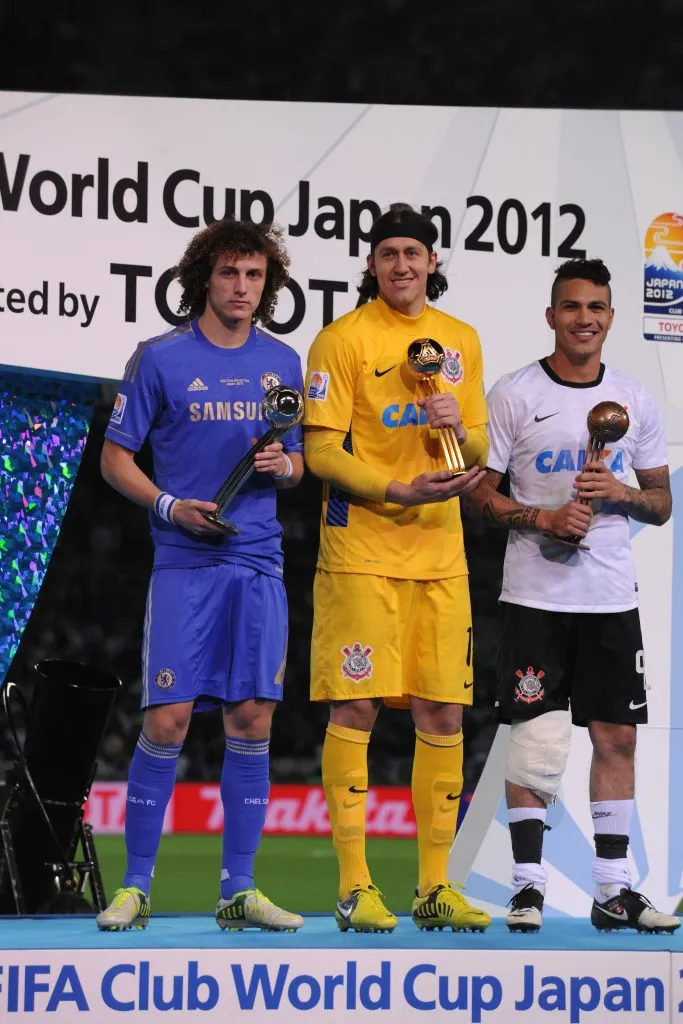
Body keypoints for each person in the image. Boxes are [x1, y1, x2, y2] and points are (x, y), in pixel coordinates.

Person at [95, 218, 305, 933]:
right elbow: (115, 459)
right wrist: (166, 504)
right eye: (229, 274)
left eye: (254, 276)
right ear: (202, 280)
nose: (242, 287)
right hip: (185, 560)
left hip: (257, 560)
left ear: (266, 285)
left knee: (253, 718)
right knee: (168, 718)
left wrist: (287, 465)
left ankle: (237, 890)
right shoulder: (158, 359)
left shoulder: (283, 363)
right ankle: (134, 887)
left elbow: (298, 461)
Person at [465, 257, 678, 934]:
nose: (583, 319)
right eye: (571, 307)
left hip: (609, 596)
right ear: (551, 316)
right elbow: (480, 494)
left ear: (610, 317)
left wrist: (620, 496)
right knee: (532, 740)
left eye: (595, 308)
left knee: (616, 736)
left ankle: (612, 890)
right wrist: (543, 518)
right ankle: (526, 886)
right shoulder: (514, 392)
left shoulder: (634, 400)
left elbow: (661, 502)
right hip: (534, 594)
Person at [303, 203, 491, 933]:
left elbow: (476, 449)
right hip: (362, 554)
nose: (402, 265)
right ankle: (354, 887)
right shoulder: (341, 340)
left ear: (432, 261)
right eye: (388, 254)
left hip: (440, 557)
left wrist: (457, 430)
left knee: (443, 711)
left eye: (413, 252)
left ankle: (434, 888)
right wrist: (396, 488)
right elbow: (320, 451)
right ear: (372, 265)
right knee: (354, 709)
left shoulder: (459, 342)